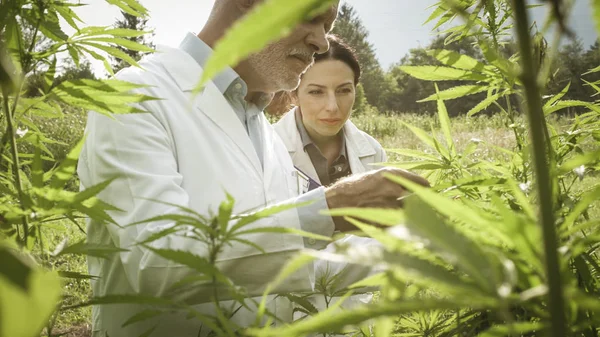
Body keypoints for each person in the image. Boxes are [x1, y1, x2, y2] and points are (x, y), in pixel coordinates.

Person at [77, 1, 429, 336]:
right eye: (311, 17)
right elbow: (158, 266)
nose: (321, 43)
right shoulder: (135, 97)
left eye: (327, 26)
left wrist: (410, 249)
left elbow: (290, 265)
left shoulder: (265, 134)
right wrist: (328, 209)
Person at [272, 35, 386, 321]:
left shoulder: (372, 153)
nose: (333, 107)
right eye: (316, 92)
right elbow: (274, 259)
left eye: (344, 90)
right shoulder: (267, 150)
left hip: (357, 317)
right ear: (294, 93)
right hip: (286, 317)